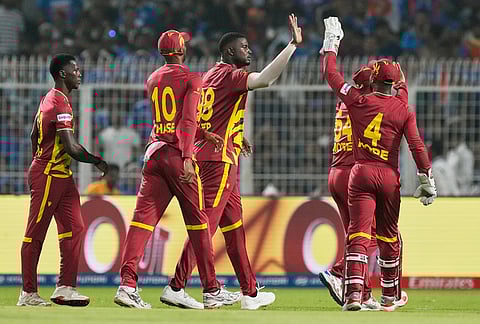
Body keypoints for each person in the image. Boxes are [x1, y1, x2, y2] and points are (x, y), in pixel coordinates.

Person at [161, 14, 302, 311]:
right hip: (218, 162)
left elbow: (209, 116)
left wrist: (236, 135)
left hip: (216, 154)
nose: (248, 51)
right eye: (244, 47)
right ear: (228, 52)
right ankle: (176, 285)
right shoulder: (229, 75)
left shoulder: (209, 75)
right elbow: (265, 79)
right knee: (205, 227)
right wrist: (291, 45)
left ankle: (249, 293)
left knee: (235, 229)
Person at [321, 17, 436, 311]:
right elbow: (416, 145)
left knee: (358, 234)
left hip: (354, 172)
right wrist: (427, 180)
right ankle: (390, 295)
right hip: (387, 175)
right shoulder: (402, 108)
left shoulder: (354, 101)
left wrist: (331, 42)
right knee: (387, 236)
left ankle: (355, 295)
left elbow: (330, 73)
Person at [113, 30, 231, 310]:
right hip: (178, 156)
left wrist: (204, 133)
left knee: (142, 222)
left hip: (154, 154)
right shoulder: (193, 78)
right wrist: (189, 156)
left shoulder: (153, 78)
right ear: (180, 51)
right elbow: (187, 119)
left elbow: (169, 118)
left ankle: (127, 285)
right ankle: (211, 289)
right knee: (200, 223)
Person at [18, 53, 109, 307]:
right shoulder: (60, 103)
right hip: (48, 175)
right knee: (35, 233)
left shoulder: (50, 98)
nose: (79, 73)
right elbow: (71, 147)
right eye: (75, 70)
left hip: (61, 176)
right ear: (62, 74)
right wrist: (96, 160)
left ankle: (65, 288)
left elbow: (34, 133)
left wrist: (40, 154)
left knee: (75, 228)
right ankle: (28, 293)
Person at [319, 61, 410, 310]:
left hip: (337, 170)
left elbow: (331, 74)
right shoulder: (369, 104)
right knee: (375, 235)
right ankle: (339, 272)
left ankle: (364, 293)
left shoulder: (348, 102)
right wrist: (401, 83)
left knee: (355, 232)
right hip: (357, 171)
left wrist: (330, 49)